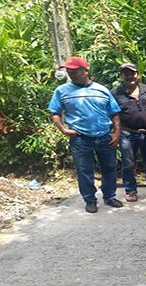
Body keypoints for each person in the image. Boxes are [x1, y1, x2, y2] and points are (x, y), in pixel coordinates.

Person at [48, 56, 123, 213]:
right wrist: (63, 129)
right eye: (69, 71)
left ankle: (110, 196)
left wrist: (116, 134)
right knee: (85, 171)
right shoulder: (61, 91)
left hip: (104, 136)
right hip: (80, 138)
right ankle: (90, 200)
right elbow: (55, 112)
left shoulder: (102, 90)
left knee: (109, 168)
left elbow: (114, 113)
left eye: (74, 71)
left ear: (85, 71)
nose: (71, 73)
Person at [111, 63, 146, 202]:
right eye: (126, 73)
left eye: (132, 73)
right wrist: (116, 132)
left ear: (138, 74)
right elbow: (112, 113)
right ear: (121, 76)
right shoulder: (115, 93)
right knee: (128, 163)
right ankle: (131, 191)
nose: (129, 76)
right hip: (127, 133)